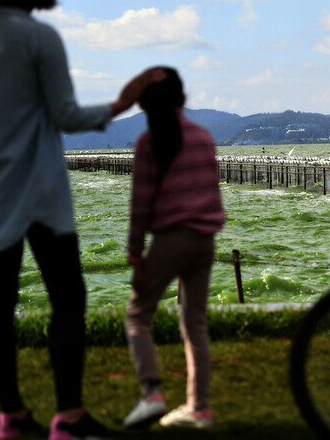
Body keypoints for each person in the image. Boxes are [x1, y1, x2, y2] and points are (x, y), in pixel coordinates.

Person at [0, 0, 161, 440]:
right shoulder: (39, 38)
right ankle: (68, 416)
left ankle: (11, 416)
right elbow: (65, 115)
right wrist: (121, 104)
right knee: (68, 300)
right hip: (42, 194)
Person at [122, 67, 225, 430]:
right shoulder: (203, 137)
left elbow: (140, 207)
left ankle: (152, 393)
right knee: (195, 323)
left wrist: (135, 256)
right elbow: (213, 190)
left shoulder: (148, 144)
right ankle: (199, 408)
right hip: (205, 240)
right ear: (183, 100)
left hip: (171, 239)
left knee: (137, 317)